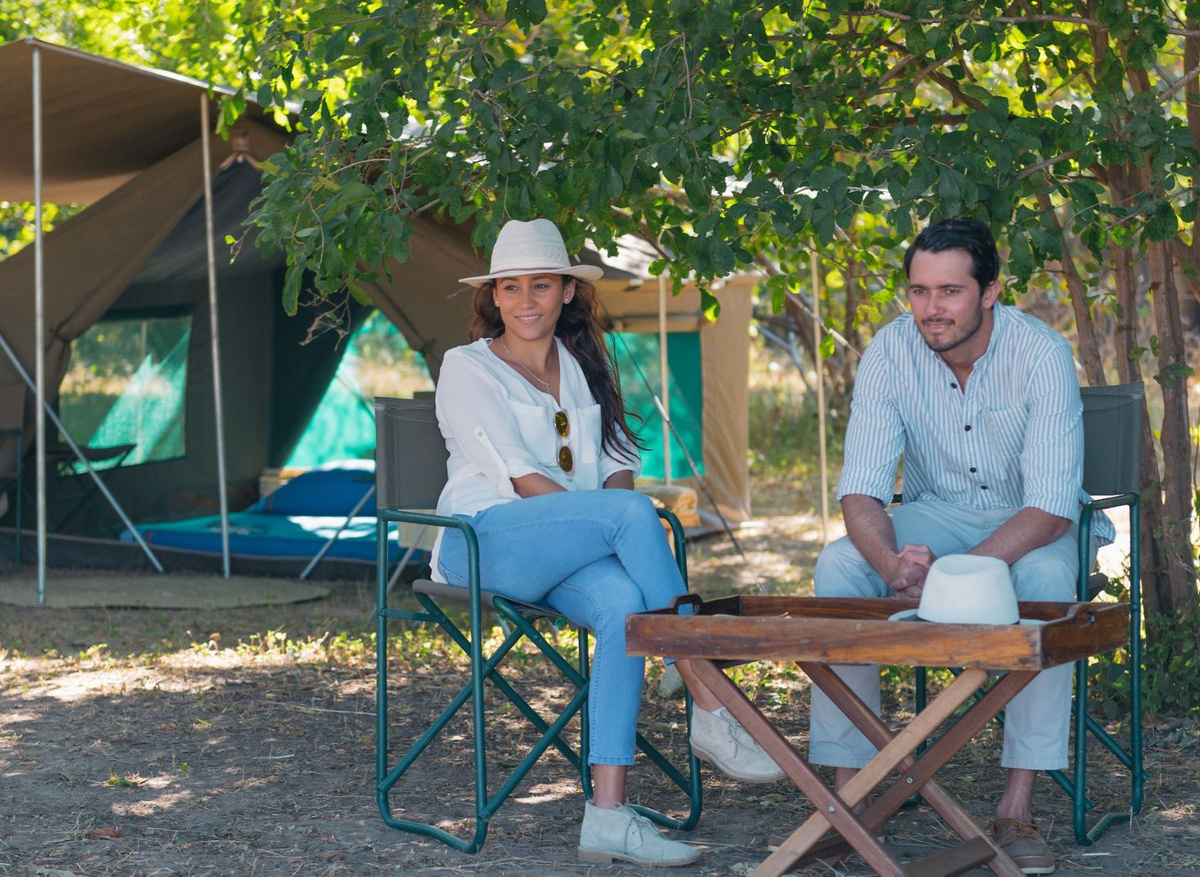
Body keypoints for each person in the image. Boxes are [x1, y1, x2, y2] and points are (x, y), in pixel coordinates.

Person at [433, 218, 784, 867]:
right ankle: (708, 694)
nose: (526, 300)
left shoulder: (581, 364)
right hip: (484, 542)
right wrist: (613, 523)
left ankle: (607, 815)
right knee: (630, 516)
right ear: (494, 296)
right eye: (511, 287)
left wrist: (610, 519)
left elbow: (618, 460)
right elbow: (521, 478)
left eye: (542, 285)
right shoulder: (467, 367)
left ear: (568, 290)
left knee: (624, 603)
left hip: (571, 547)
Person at [808, 217, 1112, 875]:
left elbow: (1050, 507)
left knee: (1046, 581)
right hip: (936, 512)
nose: (931, 308)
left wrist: (956, 574)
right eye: (919, 291)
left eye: (950, 291)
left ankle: (1017, 806)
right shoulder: (890, 351)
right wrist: (891, 563)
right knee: (840, 563)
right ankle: (849, 795)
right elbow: (861, 492)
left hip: (1030, 520)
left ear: (990, 291)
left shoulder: (1041, 353)